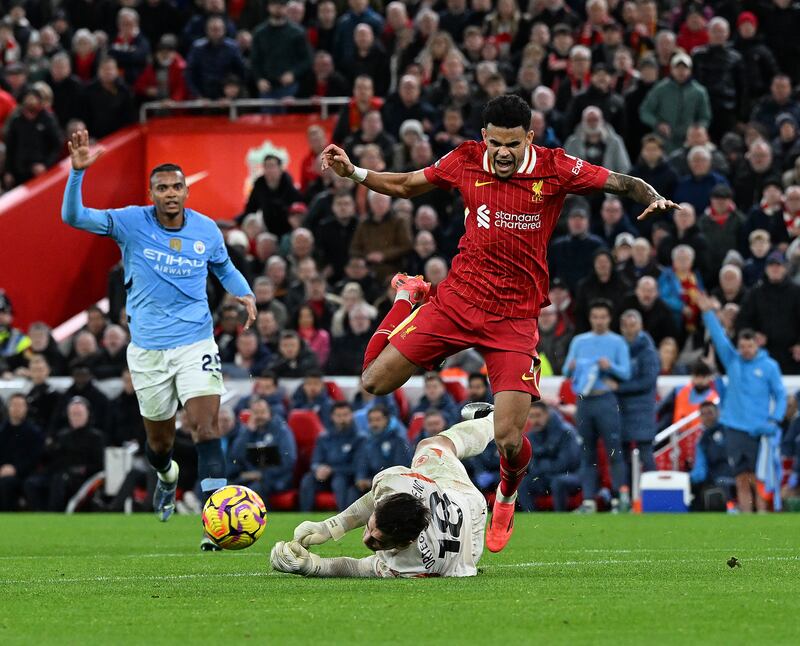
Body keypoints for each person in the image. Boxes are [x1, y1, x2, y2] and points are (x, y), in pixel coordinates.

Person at [320, 93, 676, 550]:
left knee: (509, 439)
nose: (502, 153)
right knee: (373, 380)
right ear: (483, 138)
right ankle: (407, 299)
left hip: (514, 319)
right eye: (495, 144)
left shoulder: (556, 167)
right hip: (457, 301)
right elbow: (409, 184)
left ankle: (506, 493)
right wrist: (356, 173)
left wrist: (650, 194)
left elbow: (621, 182)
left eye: (512, 143)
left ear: (528, 138)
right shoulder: (466, 160)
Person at [61, 130, 256, 550]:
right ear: (151, 193)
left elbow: (224, 268)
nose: (170, 193)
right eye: (162, 187)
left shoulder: (206, 229)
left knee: (206, 427)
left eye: (177, 186)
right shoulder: (131, 222)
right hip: (148, 351)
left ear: (186, 190)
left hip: (196, 344)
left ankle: (214, 524)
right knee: (160, 443)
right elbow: (74, 218)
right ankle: (167, 478)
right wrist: (77, 174)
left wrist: (245, 291)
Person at [270, 402, 493, 578]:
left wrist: (313, 565)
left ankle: (498, 435)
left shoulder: (412, 563)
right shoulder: (396, 483)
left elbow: (358, 568)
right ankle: (492, 421)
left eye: (379, 542)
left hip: (465, 518)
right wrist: (330, 527)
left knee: (430, 447)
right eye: (370, 528)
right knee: (431, 447)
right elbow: (374, 498)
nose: (367, 539)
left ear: (407, 542)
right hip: (460, 515)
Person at [698, 292, 787, 512]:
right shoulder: (732, 361)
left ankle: (763, 518)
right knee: (740, 477)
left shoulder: (769, 366)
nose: (745, 350)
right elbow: (719, 338)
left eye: (749, 346)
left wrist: (775, 420)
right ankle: (747, 520)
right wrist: (707, 313)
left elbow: (781, 394)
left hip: (759, 429)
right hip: (734, 427)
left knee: (760, 479)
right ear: (738, 346)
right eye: (742, 347)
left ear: (756, 345)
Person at [563, 299, 631, 512]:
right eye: (596, 317)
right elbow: (566, 371)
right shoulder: (579, 341)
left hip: (605, 399)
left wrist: (610, 367)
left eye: (603, 317)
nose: (599, 321)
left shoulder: (618, 342)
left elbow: (626, 373)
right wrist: (572, 366)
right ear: (590, 318)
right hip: (584, 400)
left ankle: (621, 499)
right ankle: (589, 501)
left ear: (609, 319)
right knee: (587, 452)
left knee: (614, 450)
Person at [737, 251, 800, 374]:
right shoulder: (755, 293)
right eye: (771, 265)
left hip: (793, 357)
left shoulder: (797, 292)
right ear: (766, 269)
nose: (775, 268)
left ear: (785, 268)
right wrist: (754, 335)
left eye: (779, 265)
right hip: (762, 355)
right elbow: (743, 320)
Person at [615, 309, 660, 478]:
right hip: (623, 409)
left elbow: (647, 382)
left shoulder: (649, 352)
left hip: (642, 409)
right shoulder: (618, 349)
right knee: (624, 456)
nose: (629, 329)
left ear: (640, 326)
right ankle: (630, 498)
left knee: (646, 454)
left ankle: (654, 496)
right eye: (625, 325)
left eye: (633, 325)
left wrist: (618, 387)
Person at [517, 402, 581, 512]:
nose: (535, 420)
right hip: (545, 476)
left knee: (558, 482)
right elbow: (530, 464)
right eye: (531, 416)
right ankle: (533, 520)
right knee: (522, 483)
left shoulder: (566, 432)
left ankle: (560, 519)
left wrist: (541, 465)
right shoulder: (530, 436)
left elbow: (567, 462)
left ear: (547, 414)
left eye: (538, 415)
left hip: (571, 475)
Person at [299, 401, 363, 511]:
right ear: (332, 417)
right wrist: (318, 469)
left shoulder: (360, 438)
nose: (342, 419)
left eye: (345, 415)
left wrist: (332, 470)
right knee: (308, 479)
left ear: (351, 415)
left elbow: (358, 466)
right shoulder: (324, 437)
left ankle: (342, 518)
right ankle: (305, 516)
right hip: (325, 478)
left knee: (339, 481)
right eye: (338, 415)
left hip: (347, 478)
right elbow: (315, 461)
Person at [227, 398, 297, 498]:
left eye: (263, 412)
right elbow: (235, 455)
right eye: (256, 413)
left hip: (277, 478)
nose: (259, 416)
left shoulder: (282, 431)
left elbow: (289, 460)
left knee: (254, 490)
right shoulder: (247, 432)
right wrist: (248, 432)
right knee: (229, 488)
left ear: (270, 413)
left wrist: (262, 474)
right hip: (249, 477)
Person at [0, 394, 44, 510]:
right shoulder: (2, 431)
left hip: (27, 474)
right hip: (3, 472)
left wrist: (15, 469)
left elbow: (35, 458)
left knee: (10, 483)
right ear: (8, 408)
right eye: (14, 405)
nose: (16, 408)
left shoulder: (34, 432)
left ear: (26, 408)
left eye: (20, 405)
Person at [689, 401, 735, 511]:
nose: (706, 417)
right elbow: (700, 470)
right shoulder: (703, 440)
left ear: (718, 413)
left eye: (709, 413)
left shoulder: (729, 431)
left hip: (730, 478)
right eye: (703, 414)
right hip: (717, 480)